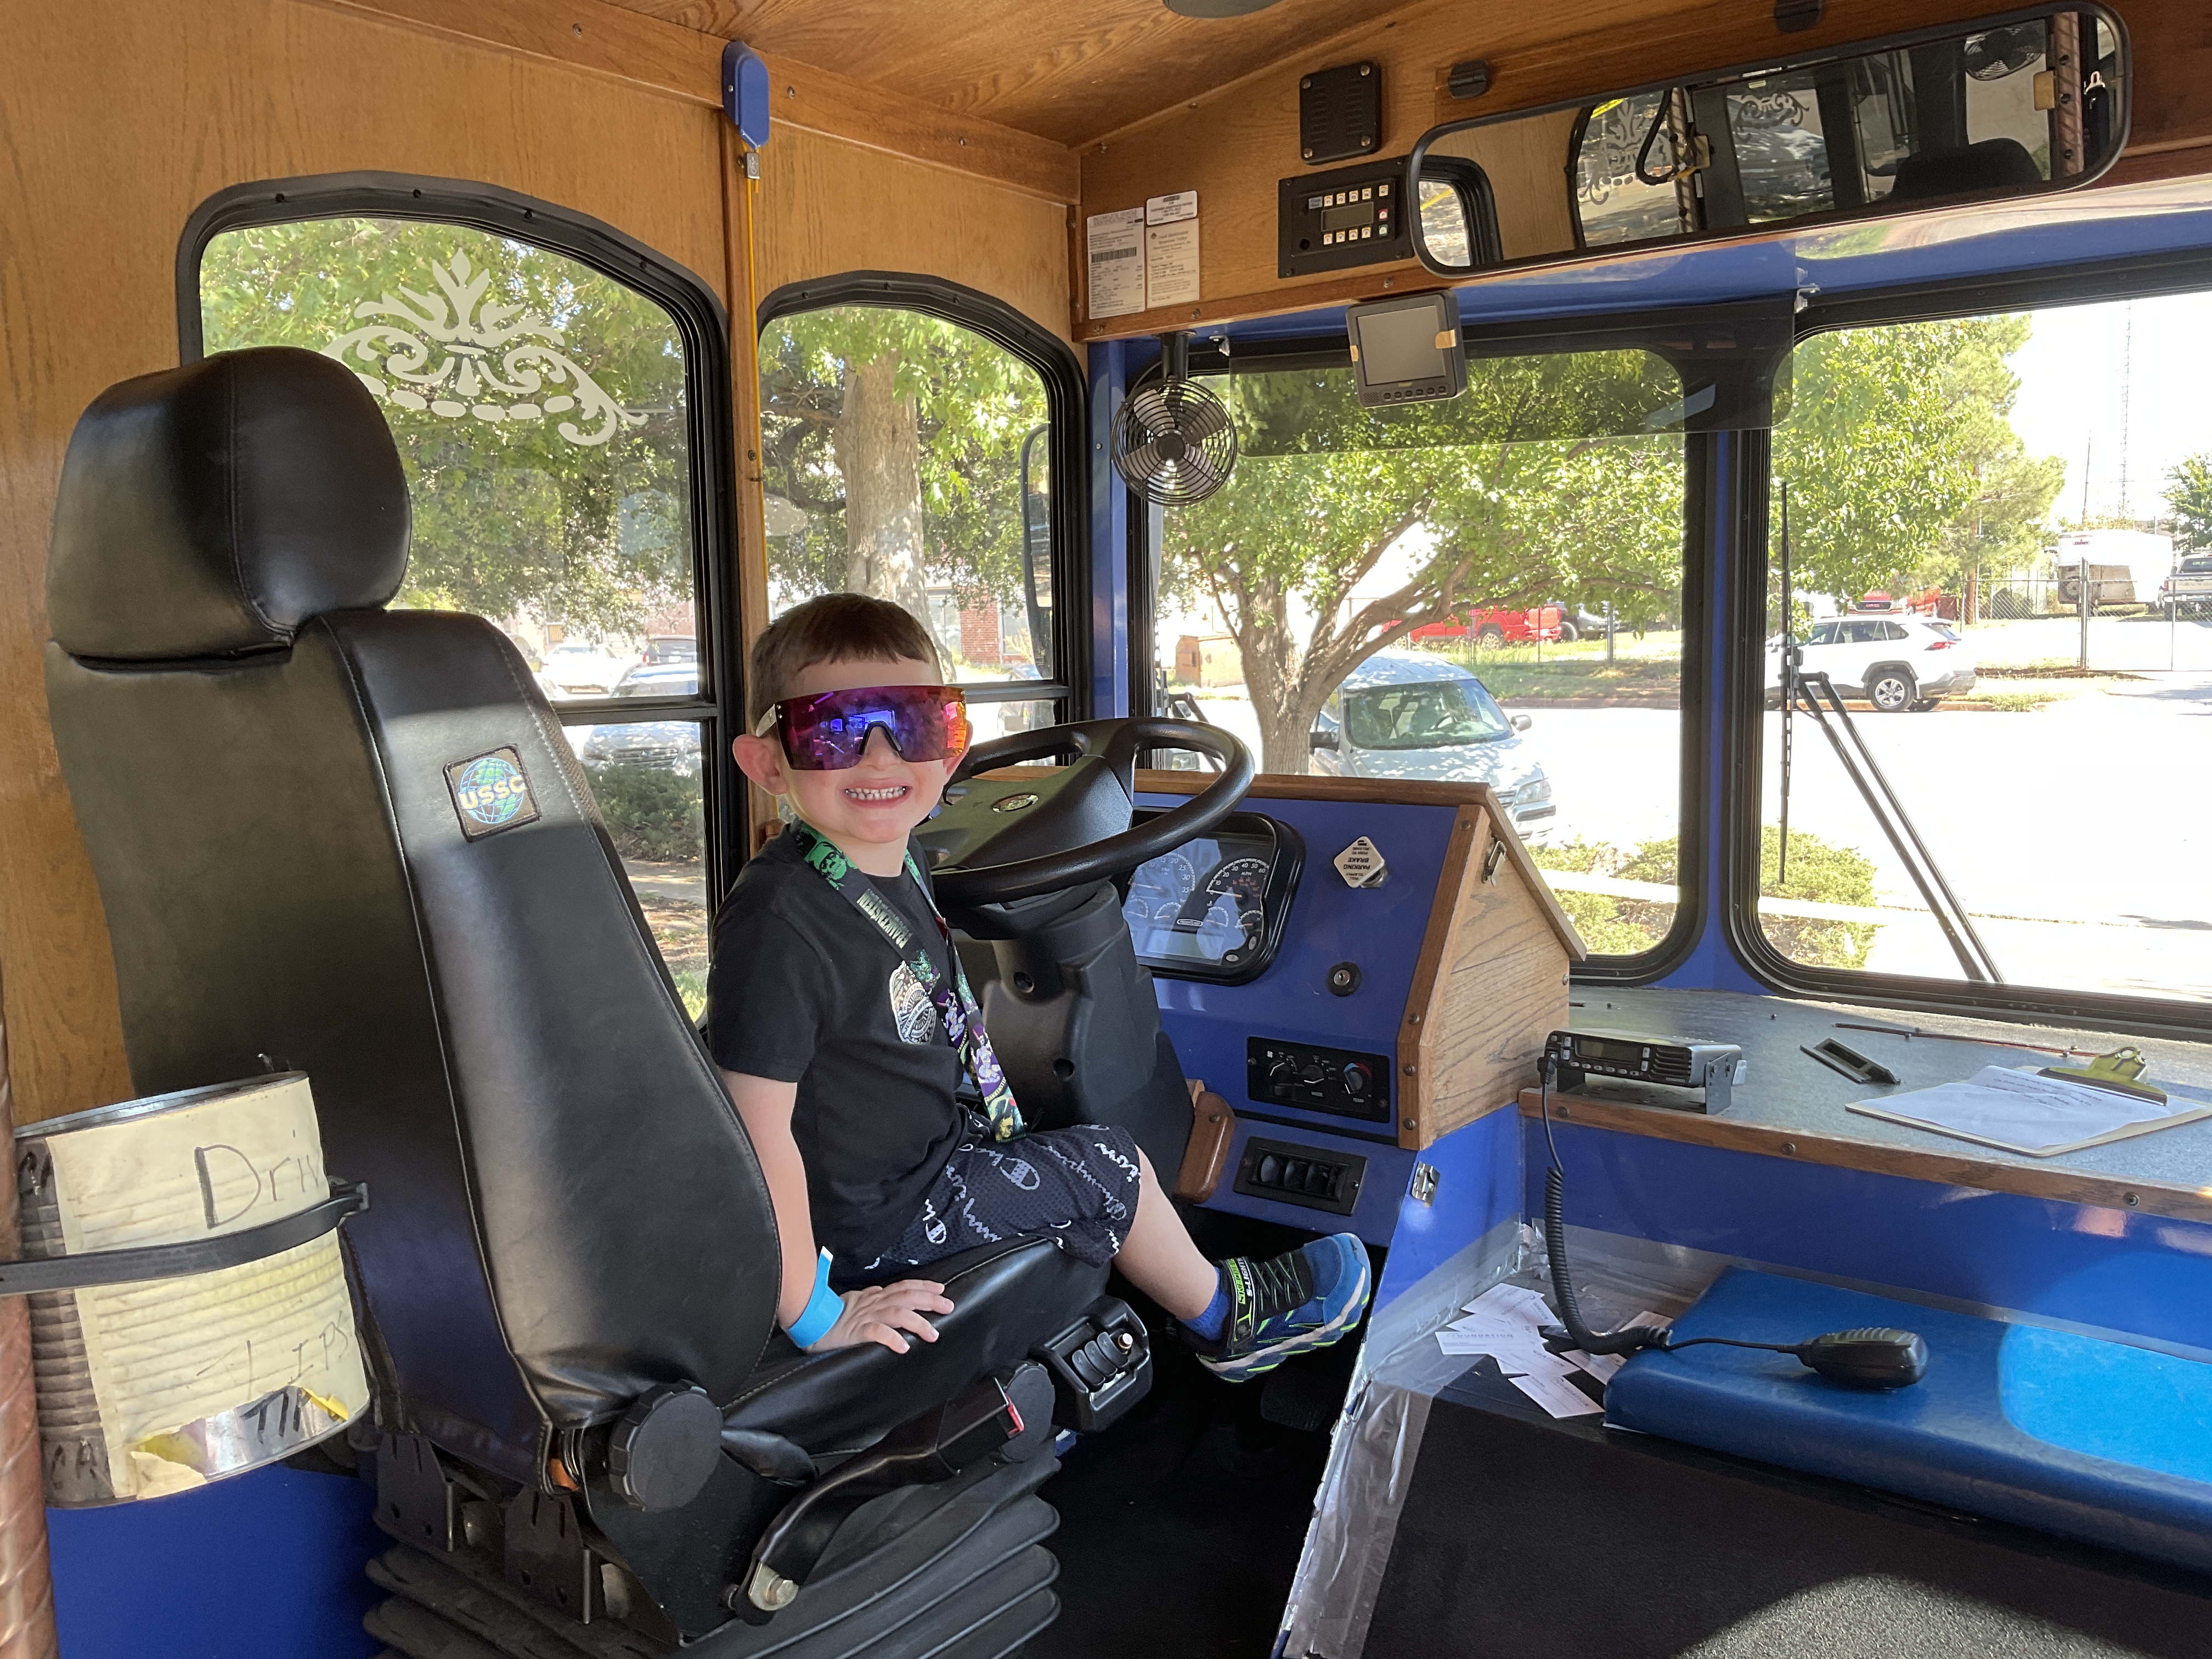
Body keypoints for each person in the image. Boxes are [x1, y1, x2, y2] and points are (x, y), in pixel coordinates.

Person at [706, 592, 1370, 1381]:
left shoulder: (897, 859)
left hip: (918, 1151)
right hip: (868, 1222)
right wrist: (817, 1312)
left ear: (952, 749)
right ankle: (1228, 1321)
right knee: (1110, 1162)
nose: (880, 760)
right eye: (833, 731)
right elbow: (755, 1134)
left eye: (915, 725)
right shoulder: (782, 923)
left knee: (1056, 1115)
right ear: (766, 762)